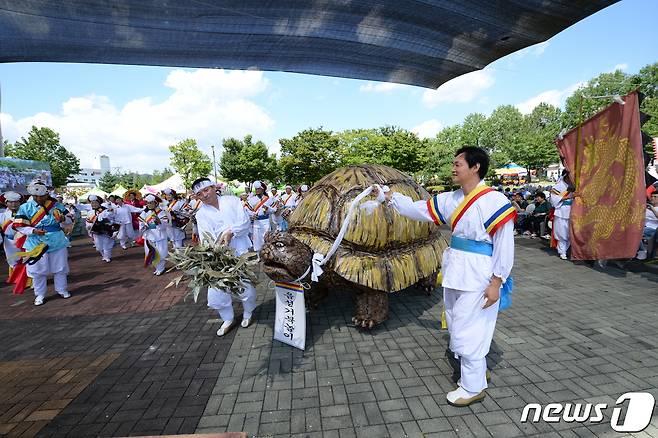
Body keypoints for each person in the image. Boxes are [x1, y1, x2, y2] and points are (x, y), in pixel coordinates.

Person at [376, 146, 515, 407]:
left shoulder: (495, 201)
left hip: (479, 274)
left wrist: (497, 282)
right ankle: (473, 371)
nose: (453, 168)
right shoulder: (451, 199)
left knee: (469, 328)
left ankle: (473, 387)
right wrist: (389, 196)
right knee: (455, 321)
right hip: (455, 270)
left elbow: (505, 245)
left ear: (475, 168)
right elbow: (418, 209)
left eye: (458, 164)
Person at [192, 177, 257, 336]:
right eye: (200, 194)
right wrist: (216, 247)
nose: (205, 195)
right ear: (197, 197)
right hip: (218, 254)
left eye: (206, 190)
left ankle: (248, 312)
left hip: (239, 250)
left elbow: (245, 222)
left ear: (214, 188)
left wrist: (231, 232)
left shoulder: (232, 201)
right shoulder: (201, 214)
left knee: (244, 284)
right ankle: (227, 319)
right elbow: (205, 237)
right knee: (217, 289)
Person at [13, 180, 72, 306]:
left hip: (57, 241)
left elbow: (69, 220)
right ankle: (40, 294)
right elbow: (19, 225)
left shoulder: (56, 205)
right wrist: (33, 230)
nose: (39, 198)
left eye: (42, 195)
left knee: (60, 267)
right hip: (35, 242)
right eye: (36, 196)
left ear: (47, 194)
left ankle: (62, 289)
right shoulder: (25, 207)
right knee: (38, 270)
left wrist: (63, 219)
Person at [139, 194, 169, 275]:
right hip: (149, 235)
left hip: (159, 235)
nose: (149, 205)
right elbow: (141, 222)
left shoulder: (161, 212)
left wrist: (158, 222)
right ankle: (157, 268)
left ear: (156, 203)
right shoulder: (144, 213)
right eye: (148, 203)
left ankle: (161, 268)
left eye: (151, 203)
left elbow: (165, 224)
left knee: (161, 252)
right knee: (151, 252)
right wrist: (143, 226)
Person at [246, 181, 277, 252]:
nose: (257, 190)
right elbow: (246, 210)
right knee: (257, 241)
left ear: (262, 189)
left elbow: (274, 209)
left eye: (258, 189)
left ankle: (267, 256)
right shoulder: (252, 199)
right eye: (256, 189)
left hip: (266, 222)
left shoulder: (268, 199)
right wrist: (252, 215)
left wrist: (268, 209)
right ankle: (259, 256)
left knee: (266, 239)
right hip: (256, 222)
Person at [550, 171, 574, 260]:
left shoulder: (575, 185)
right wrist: (567, 197)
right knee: (561, 233)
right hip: (561, 211)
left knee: (569, 233)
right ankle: (562, 251)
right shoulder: (558, 186)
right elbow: (553, 200)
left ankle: (568, 250)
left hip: (573, 211)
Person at [86, 195, 117, 262]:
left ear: (99, 203)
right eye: (92, 203)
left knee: (106, 244)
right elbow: (88, 222)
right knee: (98, 246)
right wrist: (88, 227)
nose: (94, 204)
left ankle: (107, 256)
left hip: (105, 230)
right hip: (95, 231)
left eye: (95, 203)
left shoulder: (104, 210)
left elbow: (110, 216)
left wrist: (110, 212)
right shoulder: (89, 212)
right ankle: (104, 255)